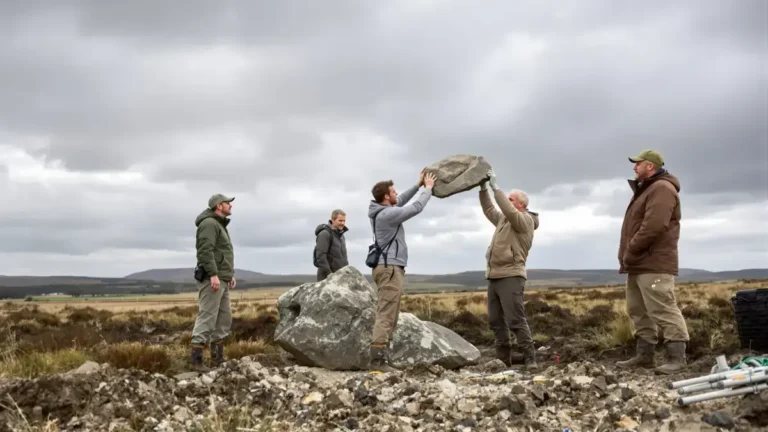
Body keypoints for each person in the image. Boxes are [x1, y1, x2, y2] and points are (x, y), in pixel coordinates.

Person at [617, 150, 689, 374]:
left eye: (637, 164)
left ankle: (677, 358)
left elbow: (654, 225)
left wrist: (632, 248)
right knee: (638, 309)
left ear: (650, 166)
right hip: (639, 262)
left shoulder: (661, 189)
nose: (634, 168)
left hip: (653, 261)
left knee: (663, 308)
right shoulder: (647, 190)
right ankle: (644, 356)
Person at [366, 170, 436, 371]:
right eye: (393, 191)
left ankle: (383, 357)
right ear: (386, 197)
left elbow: (402, 199)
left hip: (389, 266)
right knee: (387, 313)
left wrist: (417, 185)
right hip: (389, 268)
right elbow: (415, 207)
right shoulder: (387, 214)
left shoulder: (382, 209)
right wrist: (428, 189)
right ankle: (377, 361)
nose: (397, 193)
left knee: (391, 313)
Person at [479, 169, 540, 371]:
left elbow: (509, 210)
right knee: (496, 320)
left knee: (515, 319)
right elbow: (489, 210)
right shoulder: (504, 220)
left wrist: (496, 188)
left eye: (511, 199)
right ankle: (504, 360)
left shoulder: (525, 221)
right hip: (494, 275)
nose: (507, 200)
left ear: (521, 204)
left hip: (511, 275)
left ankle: (530, 357)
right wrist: (483, 189)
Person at [189, 193, 236, 372]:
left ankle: (218, 359)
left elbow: (221, 253)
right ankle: (196, 361)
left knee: (224, 318)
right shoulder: (209, 224)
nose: (230, 206)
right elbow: (205, 251)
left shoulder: (219, 224)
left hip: (222, 278)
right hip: (212, 279)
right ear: (218, 206)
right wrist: (213, 274)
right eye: (227, 203)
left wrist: (229, 274)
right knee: (208, 316)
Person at [314, 209, 349, 281]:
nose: (342, 223)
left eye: (344, 221)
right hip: (327, 278)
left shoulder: (341, 236)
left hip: (340, 277)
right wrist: (329, 274)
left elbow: (343, 257)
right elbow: (320, 256)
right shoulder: (325, 234)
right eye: (340, 221)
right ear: (333, 220)